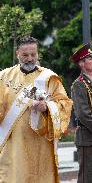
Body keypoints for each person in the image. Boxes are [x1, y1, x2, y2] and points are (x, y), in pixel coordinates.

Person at [0, 36, 73, 182]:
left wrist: (47, 107)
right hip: (14, 144)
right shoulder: (3, 77)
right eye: (25, 55)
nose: (30, 58)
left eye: (33, 54)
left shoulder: (49, 78)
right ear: (17, 54)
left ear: (37, 53)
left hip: (40, 144)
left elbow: (64, 104)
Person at [70, 44, 92, 183]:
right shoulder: (78, 84)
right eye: (90, 58)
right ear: (82, 64)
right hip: (87, 139)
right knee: (87, 179)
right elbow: (83, 114)